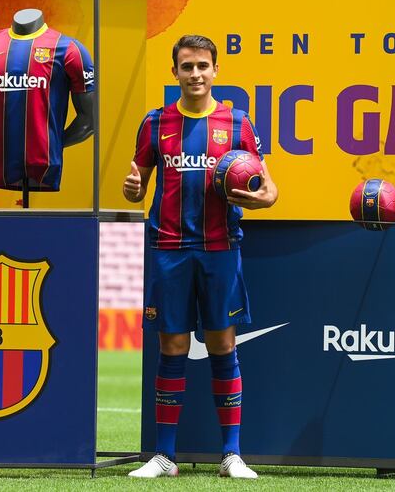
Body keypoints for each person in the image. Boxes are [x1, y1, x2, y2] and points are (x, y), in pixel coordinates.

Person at [123, 35, 278, 479]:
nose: (195, 74)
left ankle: (231, 453)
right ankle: (164, 457)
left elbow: (268, 190)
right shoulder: (154, 124)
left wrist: (258, 201)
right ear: (174, 72)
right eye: (187, 66)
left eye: (203, 66)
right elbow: (135, 184)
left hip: (220, 248)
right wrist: (131, 190)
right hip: (169, 248)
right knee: (171, 346)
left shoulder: (238, 124)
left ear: (215, 71)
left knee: (222, 344)